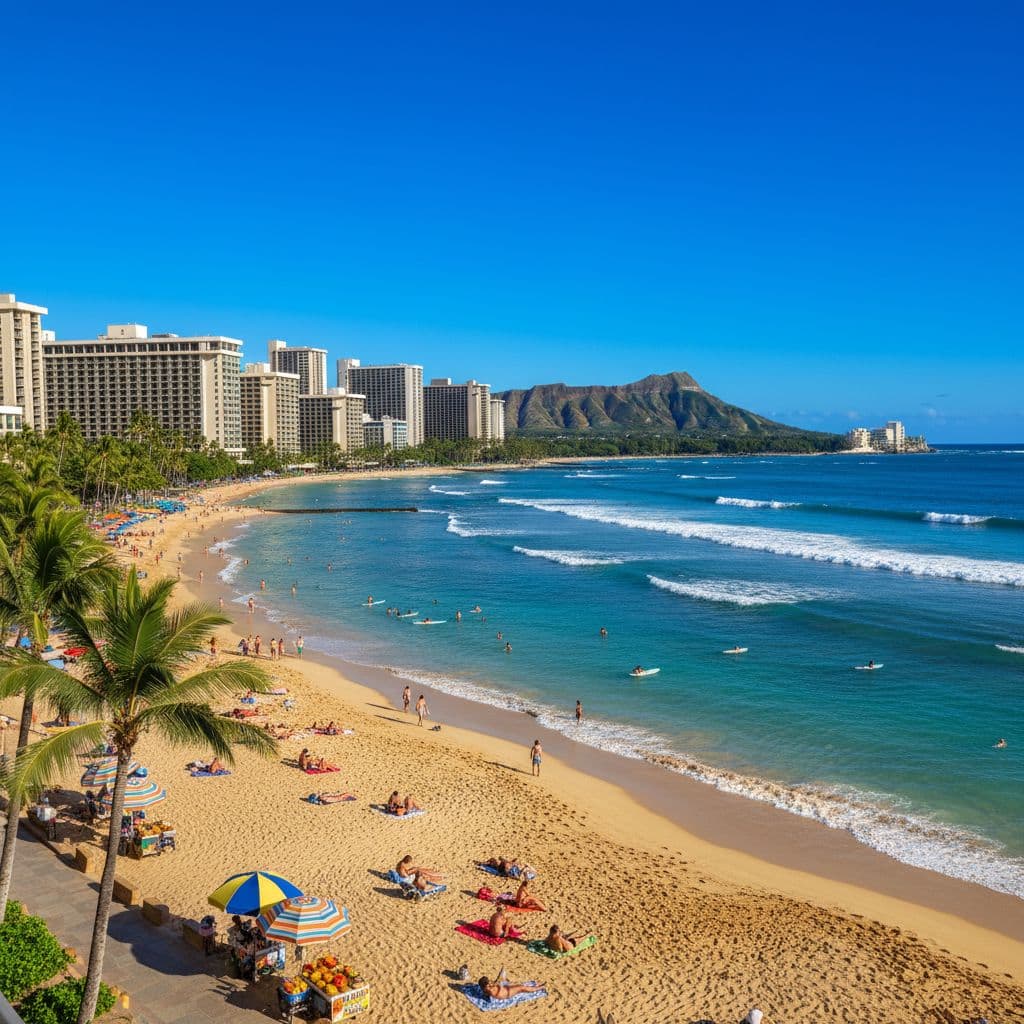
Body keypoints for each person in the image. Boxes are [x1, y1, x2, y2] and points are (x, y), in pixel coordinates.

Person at [478, 977, 544, 1002]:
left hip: (505, 991)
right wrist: (500, 985)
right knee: (522, 988)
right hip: (506, 994)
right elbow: (498, 992)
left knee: (518, 986)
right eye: (488, 982)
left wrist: (497, 984)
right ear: (486, 984)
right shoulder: (490, 989)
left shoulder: (485, 989)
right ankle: (540, 988)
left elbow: (492, 989)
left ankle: (536, 987)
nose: (489, 982)